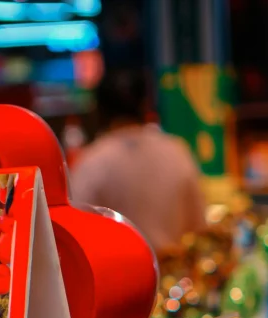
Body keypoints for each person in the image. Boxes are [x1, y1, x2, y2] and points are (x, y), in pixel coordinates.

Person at [71, 72, 207, 255]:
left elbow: (78, 235)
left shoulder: (92, 161)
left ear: (99, 109)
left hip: (119, 278)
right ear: (146, 105)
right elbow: (198, 224)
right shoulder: (176, 150)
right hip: (175, 277)